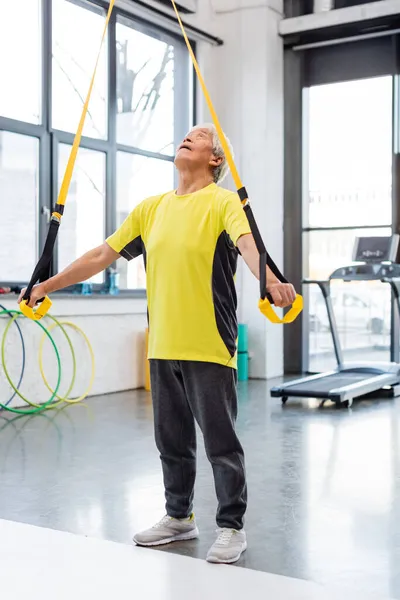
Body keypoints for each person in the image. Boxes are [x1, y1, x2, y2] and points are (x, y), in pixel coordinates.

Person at [19, 124, 296, 564]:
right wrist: (46, 285)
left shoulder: (224, 202)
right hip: (162, 343)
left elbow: (248, 247)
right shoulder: (151, 209)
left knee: (220, 443)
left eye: (198, 136)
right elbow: (100, 256)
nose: (187, 137)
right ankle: (179, 517)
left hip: (209, 342)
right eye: (185, 134)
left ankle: (231, 526)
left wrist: (271, 280)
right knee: (171, 440)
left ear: (215, 159)